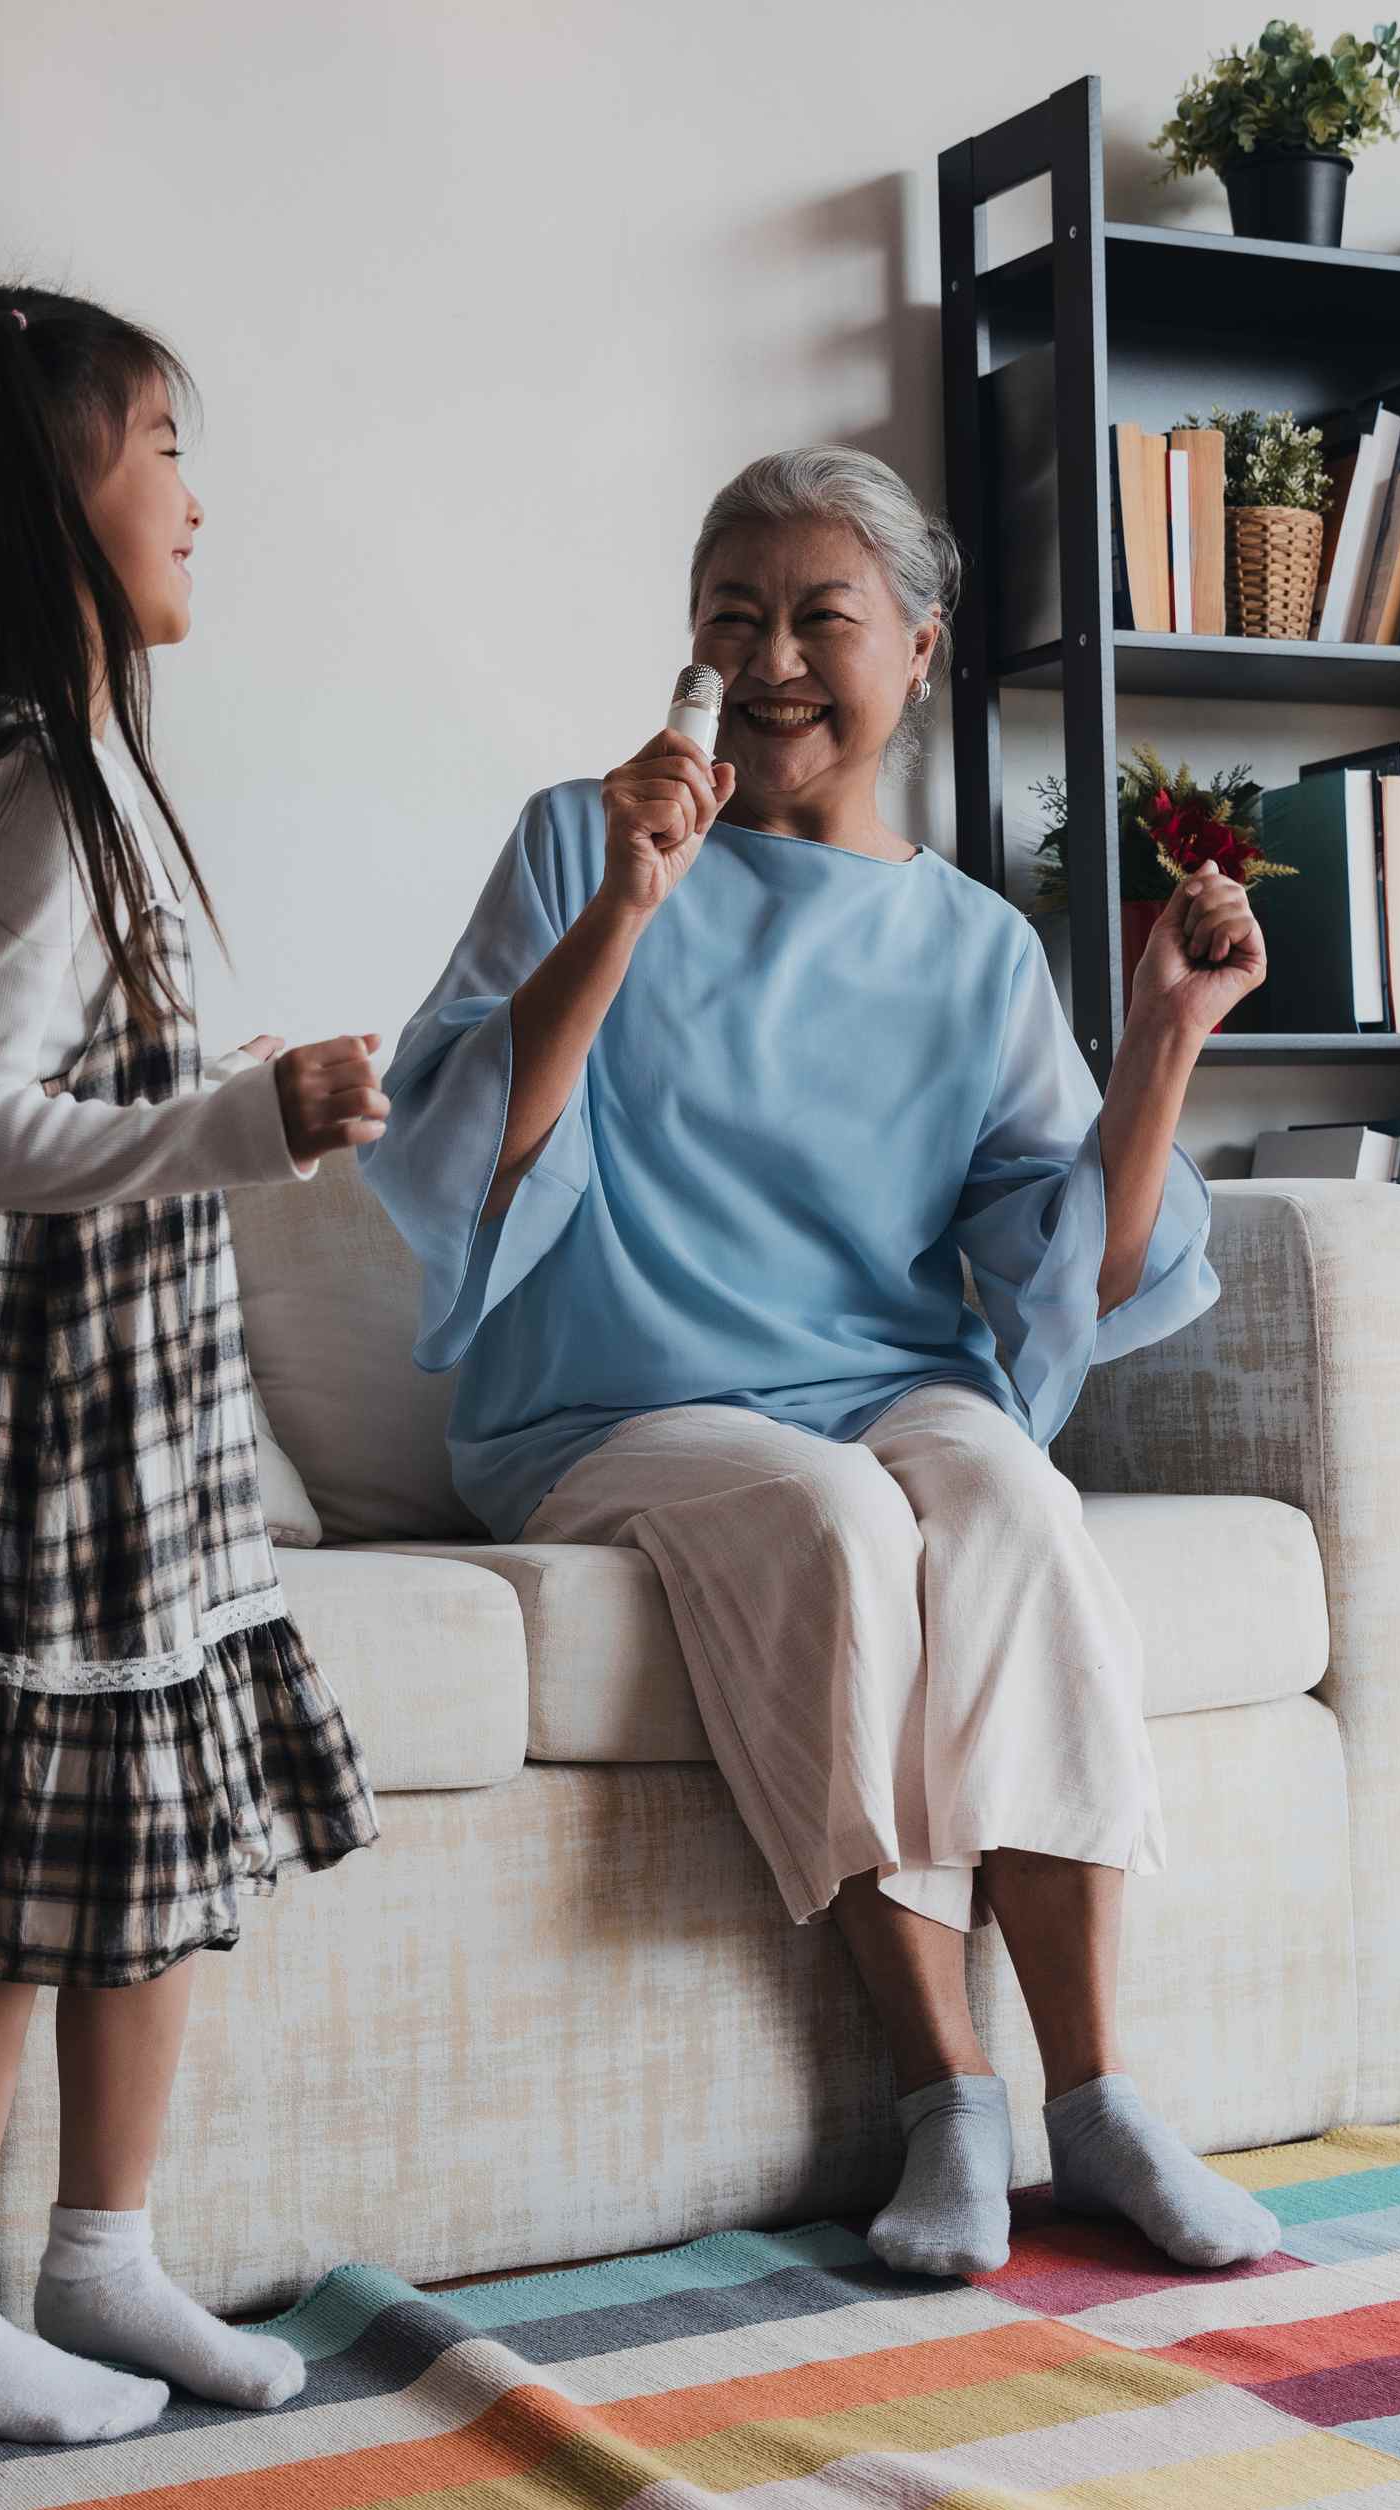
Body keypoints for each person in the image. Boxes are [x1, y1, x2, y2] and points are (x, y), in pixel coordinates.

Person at [360, 446, 1277, 2282]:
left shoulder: (975, 946)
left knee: (1010, 1498)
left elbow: (1064, 1280)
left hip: (878, 1376)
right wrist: (626, 902)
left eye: (820, 618)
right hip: (611, 1402)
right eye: (733, 616)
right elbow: (475, 1150)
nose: (774, 657)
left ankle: (1095, 2100)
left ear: (918, 653)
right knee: (838, 1522)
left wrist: (1164, 1047)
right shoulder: (577, 834)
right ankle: (951, 2097)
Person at [0, 285, 386, 2443]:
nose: (195, 499)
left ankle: (102, 2255)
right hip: (36, 1441)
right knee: (21, 1872)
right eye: (159, 446)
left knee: (143, 1845)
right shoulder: (41, 787)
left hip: (131, 1422)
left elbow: (77, 1083)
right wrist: (235, 1120)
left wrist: (227, 1086)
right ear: (52, 491)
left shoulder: (94, 772)